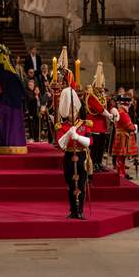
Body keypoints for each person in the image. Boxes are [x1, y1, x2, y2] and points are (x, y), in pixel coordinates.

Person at [56, 87, 92, 219]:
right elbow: (61, 144)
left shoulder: (84, 124)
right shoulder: (62, 126)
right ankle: (73, 209)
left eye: (75, 109)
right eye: (70, 110)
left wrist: (77, 137)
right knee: (71, 184)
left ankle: (80, 210)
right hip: (69, 156)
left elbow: (90, 142)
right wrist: (68, 133)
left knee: (81, 184)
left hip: (82, 156)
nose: (73, 112)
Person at [85, 62, 115, 172]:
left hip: (102, 125)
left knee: (102, 146)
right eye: (100, 86)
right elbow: (99, 109)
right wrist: (109, 115)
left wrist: (113, 110)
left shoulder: (102, 95)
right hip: (94, 125)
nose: (102, 88)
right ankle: (93, 163)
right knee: (95, 147)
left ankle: (99, 162)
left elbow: (108, 104)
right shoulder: (91, 96)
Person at [112, 96, 138, 179]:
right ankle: (120, 174)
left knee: (122, 157)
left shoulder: (121, 111)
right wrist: (135, 127)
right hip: (123, 137)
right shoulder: (122, 112)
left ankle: (122, 172)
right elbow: (129, 126)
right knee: (120, 156)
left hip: (121, 136)